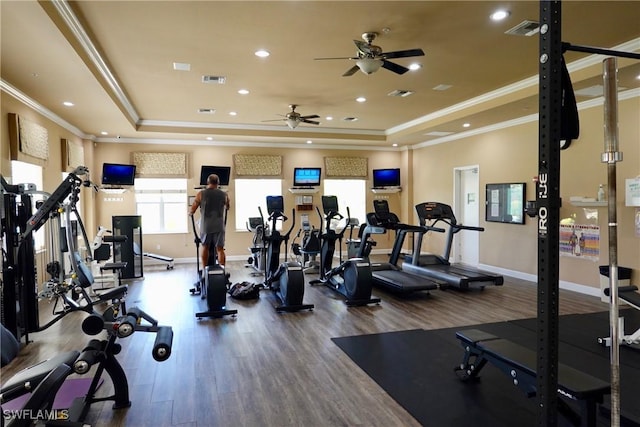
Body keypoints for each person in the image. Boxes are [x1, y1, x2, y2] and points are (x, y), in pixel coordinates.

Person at [188, 174, 230, 269]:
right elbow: (228, 206)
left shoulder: (201, 194)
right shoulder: (224, 194)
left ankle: (204, 270)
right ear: (218, 183)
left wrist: (190, 212)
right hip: (219, 225)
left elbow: (193, 209)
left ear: (208, 182)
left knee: (205, 247)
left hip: (206, 226)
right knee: (220, 249)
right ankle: (222, 270)